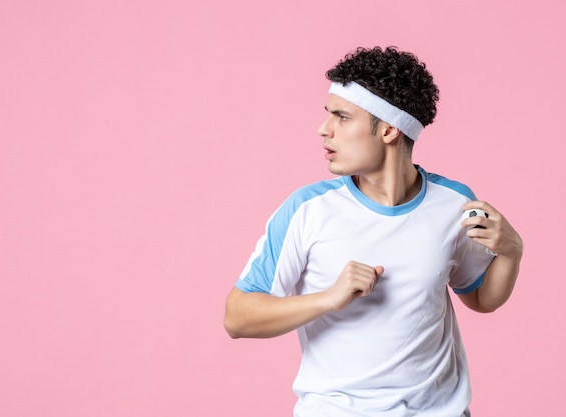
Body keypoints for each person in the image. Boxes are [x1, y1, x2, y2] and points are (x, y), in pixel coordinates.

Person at [223, 46, 523, 417]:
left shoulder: (455, 205)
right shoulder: (307, 210)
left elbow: (480, 298)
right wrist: (328, 299)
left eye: (342, 117)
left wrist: (511, 253)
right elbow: (237, 317)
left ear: (388, 129)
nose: (324, 129)